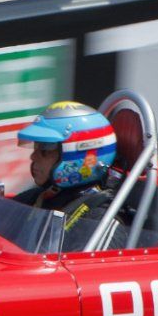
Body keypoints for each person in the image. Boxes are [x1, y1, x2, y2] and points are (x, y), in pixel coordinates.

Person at [13, 100, 120, 247]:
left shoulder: (100, 221)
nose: (33, 156)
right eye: (36, 147)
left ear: (79, 154)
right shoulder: (39, 197)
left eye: (45, 149)